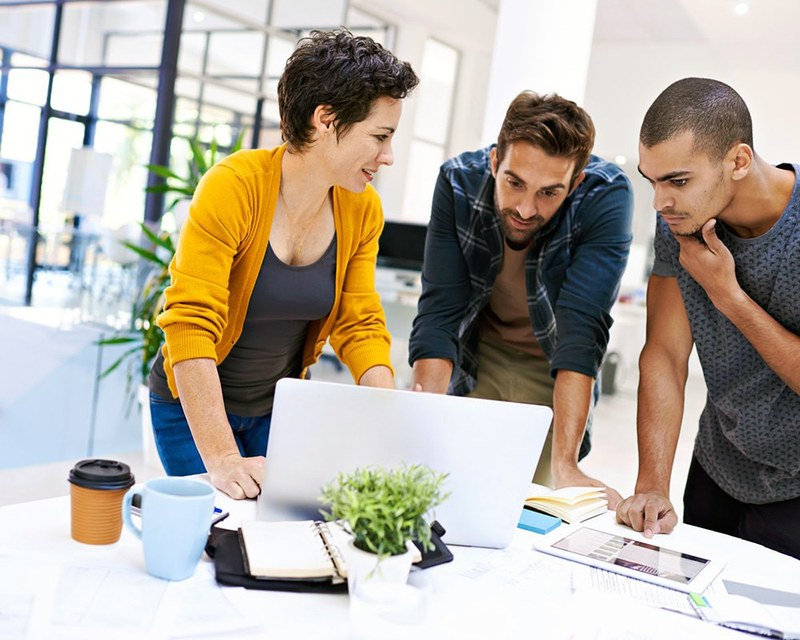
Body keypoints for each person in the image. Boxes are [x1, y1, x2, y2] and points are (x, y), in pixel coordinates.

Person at [147, 29, 419, 499]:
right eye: (380, 136)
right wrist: (224, 458)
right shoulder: (233, 188)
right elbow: (190, 322)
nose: (388, 156)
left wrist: (388, 413)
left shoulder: (361, 209)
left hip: (277, 409)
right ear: (326, 119)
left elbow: (359, 323)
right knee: (219, 531)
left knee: (284, 528)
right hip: (194, 409)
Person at [408, 91, 633, 502]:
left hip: (551, 369)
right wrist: (418, 426)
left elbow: (582, 332)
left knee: (527, 503)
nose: (526, 209)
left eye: (549, 192)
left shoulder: (605, 196)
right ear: (495, 161)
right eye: (514, 183)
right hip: (479, 354)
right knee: (445, 486)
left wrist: (568, 465)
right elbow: (441, 309)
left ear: (576, 182)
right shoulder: (457, 182)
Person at [615, 77, 800, 559]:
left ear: (738, 161)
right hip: (718, 466)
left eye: (676, 181)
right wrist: (652, 484)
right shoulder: (680, 218)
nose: (659, 202)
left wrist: (728, 295)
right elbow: (665, 354)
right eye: (651, 180)